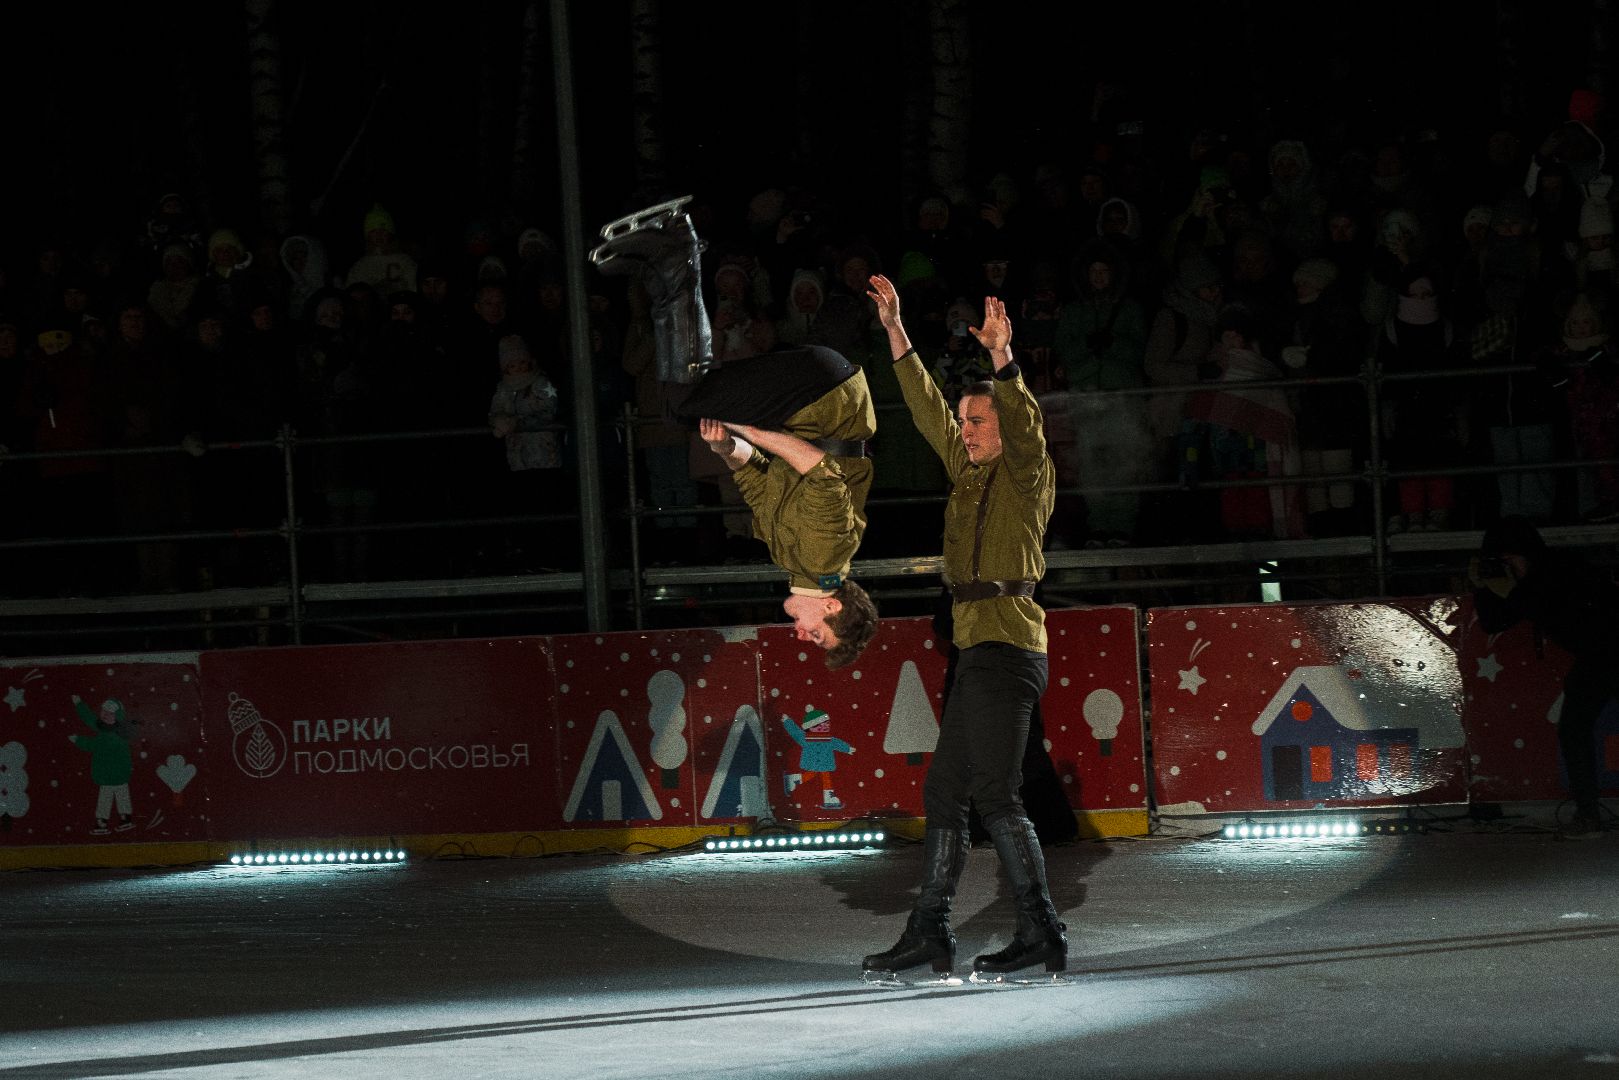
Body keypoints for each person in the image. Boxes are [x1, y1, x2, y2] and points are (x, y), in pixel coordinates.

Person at [862, 274, 1063, 980]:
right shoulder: (968, 473)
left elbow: (1027, 425)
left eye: (977, 422)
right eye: (967, 422)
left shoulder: (1025, 473)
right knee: (945, 792)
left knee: (994, 795)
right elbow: (923, 411)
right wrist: (895, 331)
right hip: (978, 650)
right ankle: (931, 933)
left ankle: (1040, 929)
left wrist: (1005, 363)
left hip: (1008, 648)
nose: (966, 431)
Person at [691, 344, 881, 669]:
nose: (802, 636)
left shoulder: (792, 560)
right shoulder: (825, 558)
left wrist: (724, 447)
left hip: (810, 395)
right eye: (818, 635)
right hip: (823, 395)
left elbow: (754, 477)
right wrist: (753, 431)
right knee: (686, 399)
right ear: (831, 608)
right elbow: (821, 469)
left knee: (686, 396)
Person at [1470, 516, 1617, 839]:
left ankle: (1589, 814)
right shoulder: (1537, 579)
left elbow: (1516, 613)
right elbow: (1497, 620)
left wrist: (1498, 589)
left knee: (1575, 729)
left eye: (1510, 561)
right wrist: (1488, 588)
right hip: (1598, 655)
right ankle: (1588, 813)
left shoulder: (1553, 574)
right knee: (1573, 729)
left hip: (1607, 650)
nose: (1508, 568)